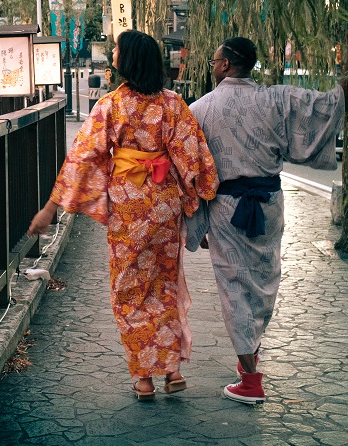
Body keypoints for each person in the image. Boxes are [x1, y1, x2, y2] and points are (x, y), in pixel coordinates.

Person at [29, 30, 219, 401]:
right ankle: (173, 371)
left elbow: (82, 158)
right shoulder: (173, 104)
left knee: (129, 291)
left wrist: (52, 207)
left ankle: (144, 379)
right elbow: (192, 157)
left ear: (128, 60)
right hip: (163, 206)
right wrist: (199, 201)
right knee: (163, 284)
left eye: (116, 49)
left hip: (128, 208)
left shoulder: (110, 105)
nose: (113, 52)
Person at [188, 36, 347, 405]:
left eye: (214, 60)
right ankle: (250, 356)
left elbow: (192, 170)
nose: (212, 66)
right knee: (264, 278)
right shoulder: (277, 99)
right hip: (270, 203)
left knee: (233, 288)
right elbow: (330, 103)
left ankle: (251, 380)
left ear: (226, 64)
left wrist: (199, 219)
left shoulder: (200, 109)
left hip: (227, 208)